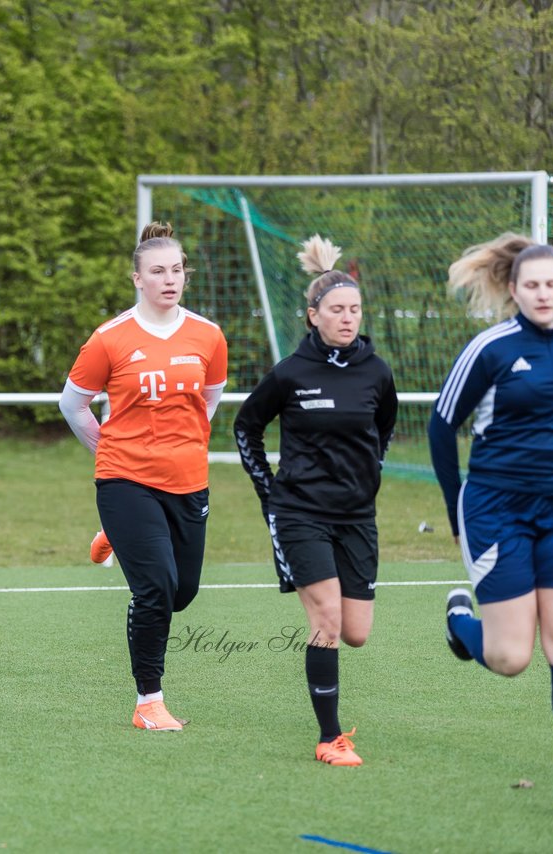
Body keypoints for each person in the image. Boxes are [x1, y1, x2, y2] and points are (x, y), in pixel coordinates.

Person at [234, 235, 397, 767]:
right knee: (327, 621)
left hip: (357, 517)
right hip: (300, 513)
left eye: (354, 309)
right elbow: (246, 428)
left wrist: (369, 473)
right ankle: (330, 738)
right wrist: (270, 493)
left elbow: (385, 428)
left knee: (356, 634)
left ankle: (330, 726)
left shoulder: (377, 372)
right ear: (313, 316)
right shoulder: (291, 373)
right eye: (336, 310)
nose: (347, 318)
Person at [59, 222, 228, 730]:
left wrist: (186, 443)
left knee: (182, 593)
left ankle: (119, 538)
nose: (169, 279)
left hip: (188, 479)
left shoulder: (208, 335)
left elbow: (210, 399)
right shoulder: (110, 339)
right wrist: (108, 448)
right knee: (154, 590)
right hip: (124, 478)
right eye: (158, 271)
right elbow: (72, 405)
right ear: (138, 278)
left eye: (176, 270)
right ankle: (148, 701)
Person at [430, 233, 553, 815]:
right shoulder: (490, 348)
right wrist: (455, 507)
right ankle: (461, 621)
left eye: (552, 284)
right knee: (512, 658)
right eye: (532, 284)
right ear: (513, 289)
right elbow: (441, 426)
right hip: (495, 511)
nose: (543, 293)